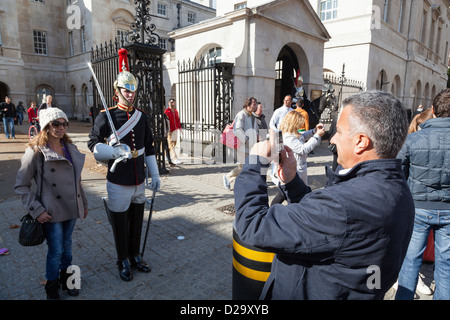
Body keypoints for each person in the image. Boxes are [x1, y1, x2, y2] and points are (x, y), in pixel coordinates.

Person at [234, 90, 414, 299]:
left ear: (361, 142)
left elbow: (253, 224)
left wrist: (255, 162)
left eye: (338, 131)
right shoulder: (395, 187)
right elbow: (323, 228)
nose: (333, 139)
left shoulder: (345, 205)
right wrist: (293, 183)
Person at [87, 48, 161, 282]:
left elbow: (148, 147)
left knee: (137, 221)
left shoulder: (142, 116)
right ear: (117, 91)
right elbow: (93, 144)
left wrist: (155, 173)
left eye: (133, 90)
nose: (130, 94)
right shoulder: (105, 116)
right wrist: (113, 151)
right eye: (126, 90)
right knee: (120, 224)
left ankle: (135, 255)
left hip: (139, 178)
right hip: (119, 179)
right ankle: (123, 259)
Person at [14, 107, 88, 300]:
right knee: (56, 251)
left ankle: (68, 280)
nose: (61, 127)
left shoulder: (70, 148)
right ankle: (52, 287)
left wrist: (84, 203)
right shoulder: (35, 151)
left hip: (71, 206)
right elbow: (21, 185)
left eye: (64, 124)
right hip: (51, 211)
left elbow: (76, 180)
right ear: (46, 126)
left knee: (68, 246)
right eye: (56, 123)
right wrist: (36, 210)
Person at [395, 88, 450, 300]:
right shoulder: (413, 140)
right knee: (445, 265)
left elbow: (398, 174)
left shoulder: (413, 140)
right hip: (442, 209)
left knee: (410, 261)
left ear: (433, 110)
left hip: (418, 207)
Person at [270, 111, 324, 206]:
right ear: (294, 123)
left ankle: (272, 209)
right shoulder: (289, 138)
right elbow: (303, 149)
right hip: (294, 171)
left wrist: (314, 131)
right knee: (294, 196)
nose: (301, 125)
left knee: (283, 194)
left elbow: (302, 135)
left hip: (294, 170)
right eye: (300, 123)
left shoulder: (291, 133)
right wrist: (317, 136)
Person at [223, 97, 258, 190]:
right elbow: (237, 130)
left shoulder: (252, 115)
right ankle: (227, 177)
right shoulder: (241, 115)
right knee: (243, 166)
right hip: (243, 146)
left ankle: (246, 184)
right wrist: (246, 140)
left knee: (249, 166)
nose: (256, 106)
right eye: (254, 104)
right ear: (248, 105)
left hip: (252, 146)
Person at [164, 98, 183, 165]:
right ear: (168, 103)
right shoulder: (166, 112)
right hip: (169, 131)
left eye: (173, 102)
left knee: (174, 144)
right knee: (171, 145)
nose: (173, 104)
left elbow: (177, 120)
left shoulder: (175, 111)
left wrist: (180, 128)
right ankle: (175, 159)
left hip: (175, 130)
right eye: (171, 102)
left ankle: (167, 155)